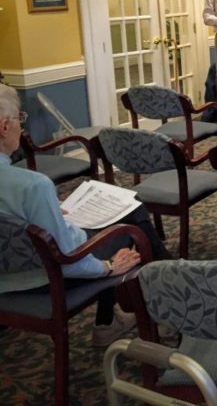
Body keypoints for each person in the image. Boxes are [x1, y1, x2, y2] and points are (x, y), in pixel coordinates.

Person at [0, 84, 171, 347]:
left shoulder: (28, 188)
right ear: (4, 127)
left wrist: (48, 209)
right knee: (129, 222)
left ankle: (123, 313)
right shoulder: (33, 185)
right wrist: (109, 267)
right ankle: (168, 295)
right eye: (19, 119)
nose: (22, 128)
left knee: (127, 212)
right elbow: (68, 261)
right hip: (46, 279)